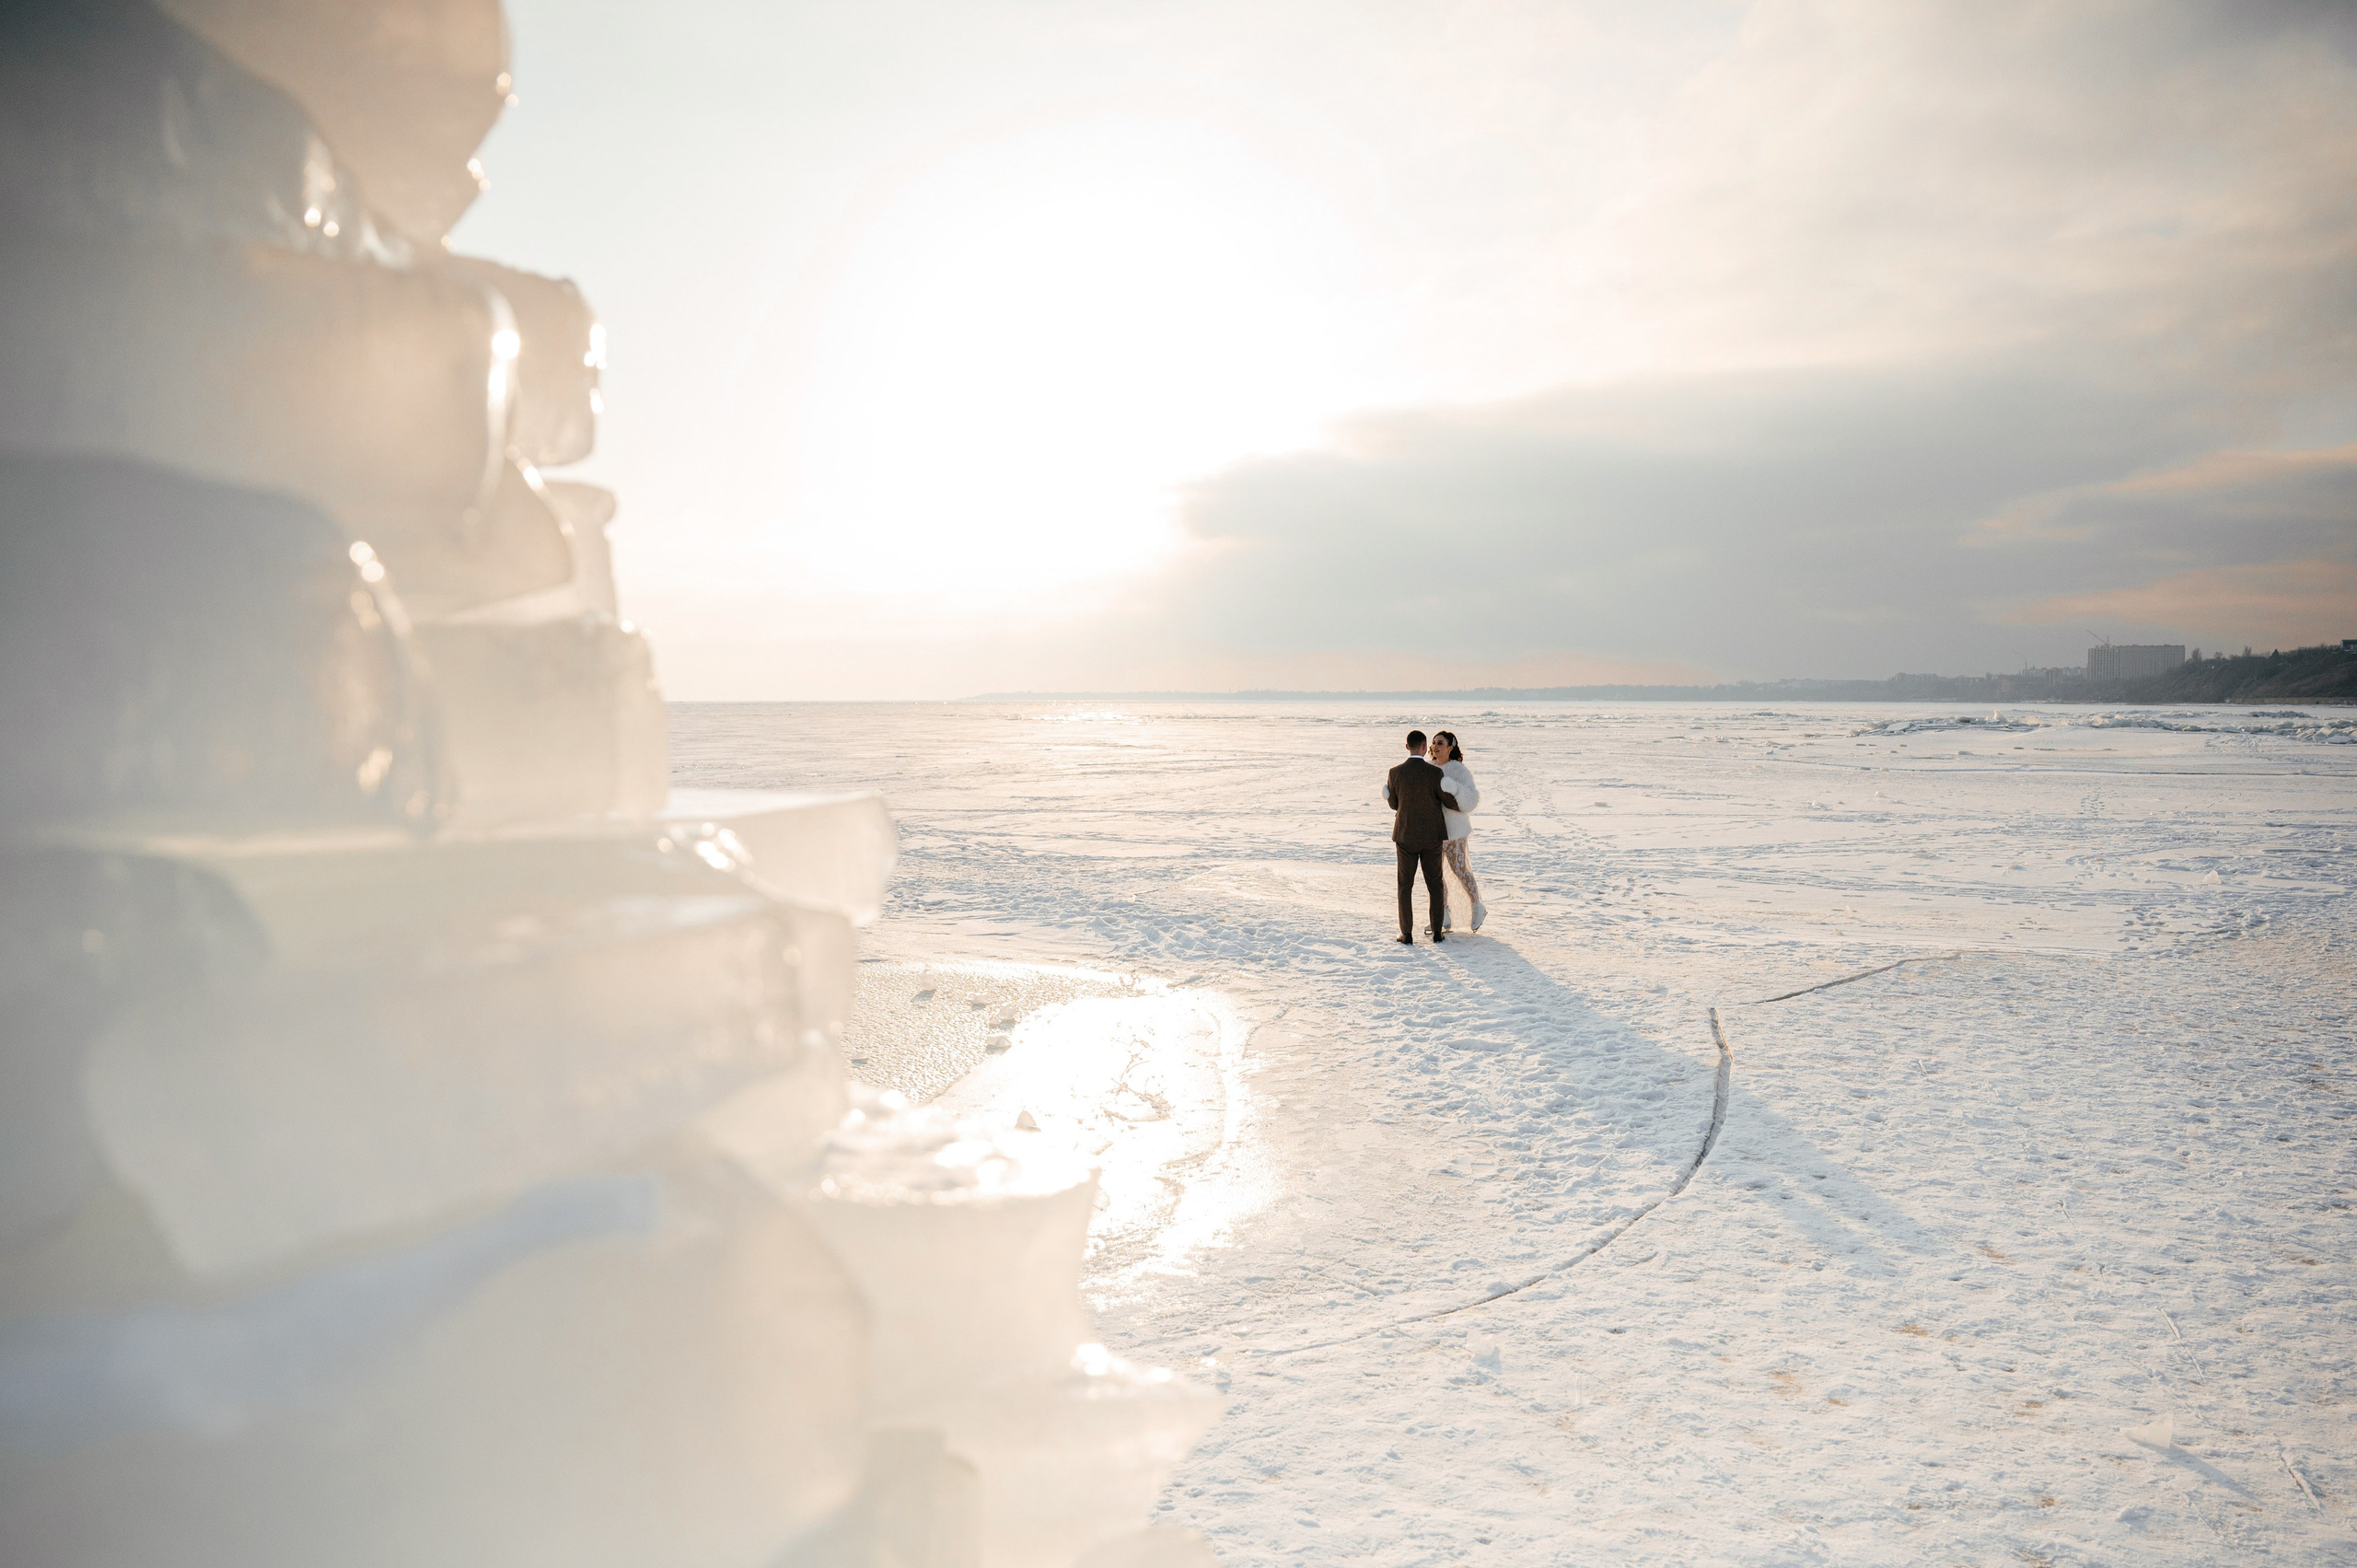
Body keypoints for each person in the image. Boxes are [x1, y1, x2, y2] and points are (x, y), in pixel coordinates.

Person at [1382, 728, 1455, 944]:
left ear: (1407, 747)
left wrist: (1388, 796)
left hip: (1405, 836)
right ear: (1425, 747)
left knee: (1405, 886)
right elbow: (1445, 800)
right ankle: (1437, 933)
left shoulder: (1395, 772)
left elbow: (1395, 804)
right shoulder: (1435, 773)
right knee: (1435, 885)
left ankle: (1406, 934)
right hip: (1432, 836)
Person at [1430, 730, 1485, 933]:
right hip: (1434, 830)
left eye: (1441, 743)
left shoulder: (1459, 770)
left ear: (1450, 747)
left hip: (1454, 829)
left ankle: (1477, 906)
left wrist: (1453, 788)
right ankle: (1442, 915)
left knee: (1459, 870)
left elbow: (1471, 800)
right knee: (1436, 874)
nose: (1435, 747)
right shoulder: (1429, 767)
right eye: (1434, 743)